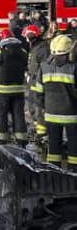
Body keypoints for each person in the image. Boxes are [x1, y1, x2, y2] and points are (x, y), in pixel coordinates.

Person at [36, 34, 77, 171]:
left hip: (51, 114)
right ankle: (73, 171)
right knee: (74, 145)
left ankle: (54, 171)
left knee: (53, 145)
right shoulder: (73, 68)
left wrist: (43, 107)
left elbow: (38, 90)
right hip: (72, 115)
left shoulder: (44, 66)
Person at [0, 29, 28, 145]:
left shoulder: (0, 52)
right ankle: (21, 139)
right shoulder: (23, 51)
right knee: (18, 115)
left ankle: (2, 139)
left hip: (2, 90)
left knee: (1, 114)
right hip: (18, 90)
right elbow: (26, 65)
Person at [25, 24, 50, 146]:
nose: (25, 39)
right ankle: (36, 129)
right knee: (32, 106)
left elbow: (44, 67)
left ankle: (42, 134)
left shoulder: (43, 48)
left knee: (39, 107)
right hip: (32, 79)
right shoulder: (35, 46)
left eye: (27, 36)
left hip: (38, 81)